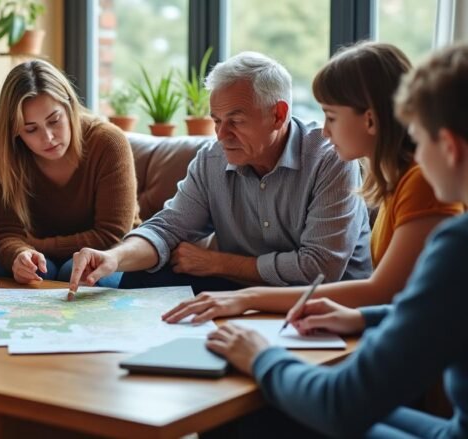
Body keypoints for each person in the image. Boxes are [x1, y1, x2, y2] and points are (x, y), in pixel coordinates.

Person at [207, 42, 468, 438]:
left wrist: (261, 356)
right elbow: (440, 307)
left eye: (417, 132)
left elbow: (339, 405)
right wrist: (363, 318)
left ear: (449, 147)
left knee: (258, 412)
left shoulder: (455, 239)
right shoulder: (405, 189)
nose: (323, 130)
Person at [163, 42, 463, 324]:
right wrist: (355, 320)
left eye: (331, 117)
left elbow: (381, 293)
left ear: (370, 121)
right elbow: (398, 302)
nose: (326, 132)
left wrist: (246, 297)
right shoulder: (394, 182)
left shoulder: (422, 182)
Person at [70, 52, 372, 294]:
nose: (221, 134)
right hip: (237, 292)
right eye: (216, 121)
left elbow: (318, 269)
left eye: (236, 121)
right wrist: (114, 257)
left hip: (323, 303)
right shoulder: (212, 159)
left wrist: (218, 263)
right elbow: (167, 229)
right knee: (134, 280)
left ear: (278, 114)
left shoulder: (331, 157)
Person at [0, 59, 139, 287]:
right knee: (11, 269)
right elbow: (4, 232)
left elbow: (111, 234)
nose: (48, 137)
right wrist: (20, 254)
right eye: (31, 129)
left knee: (76, 273)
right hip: (40, 256)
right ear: (15, 131)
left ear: (69, 106)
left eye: (54, 121)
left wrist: (36, 245)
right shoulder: (1, 158)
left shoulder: (108, 143)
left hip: (107, 251)